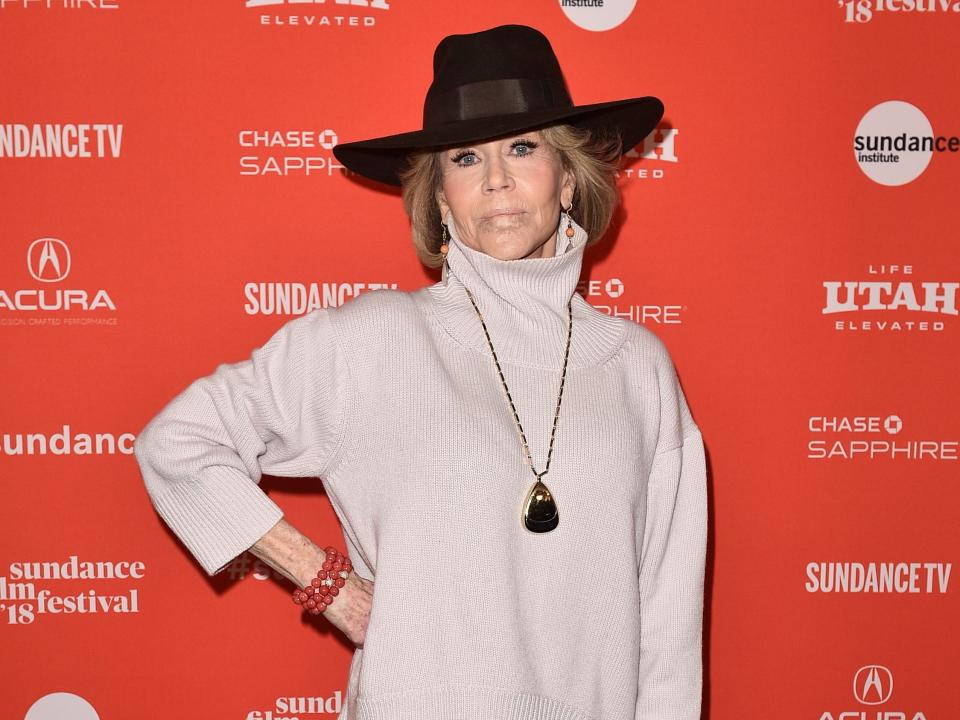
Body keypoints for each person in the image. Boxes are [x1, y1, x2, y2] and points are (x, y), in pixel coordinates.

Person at [133, 23, 707, 720]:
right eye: (465, 159)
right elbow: (179, 442)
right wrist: (327, 584)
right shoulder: (374, 339)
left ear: (566, 180)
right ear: (440, 201)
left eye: (522, 149)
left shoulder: (634, 365)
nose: (495, 179)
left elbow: (669, 628)